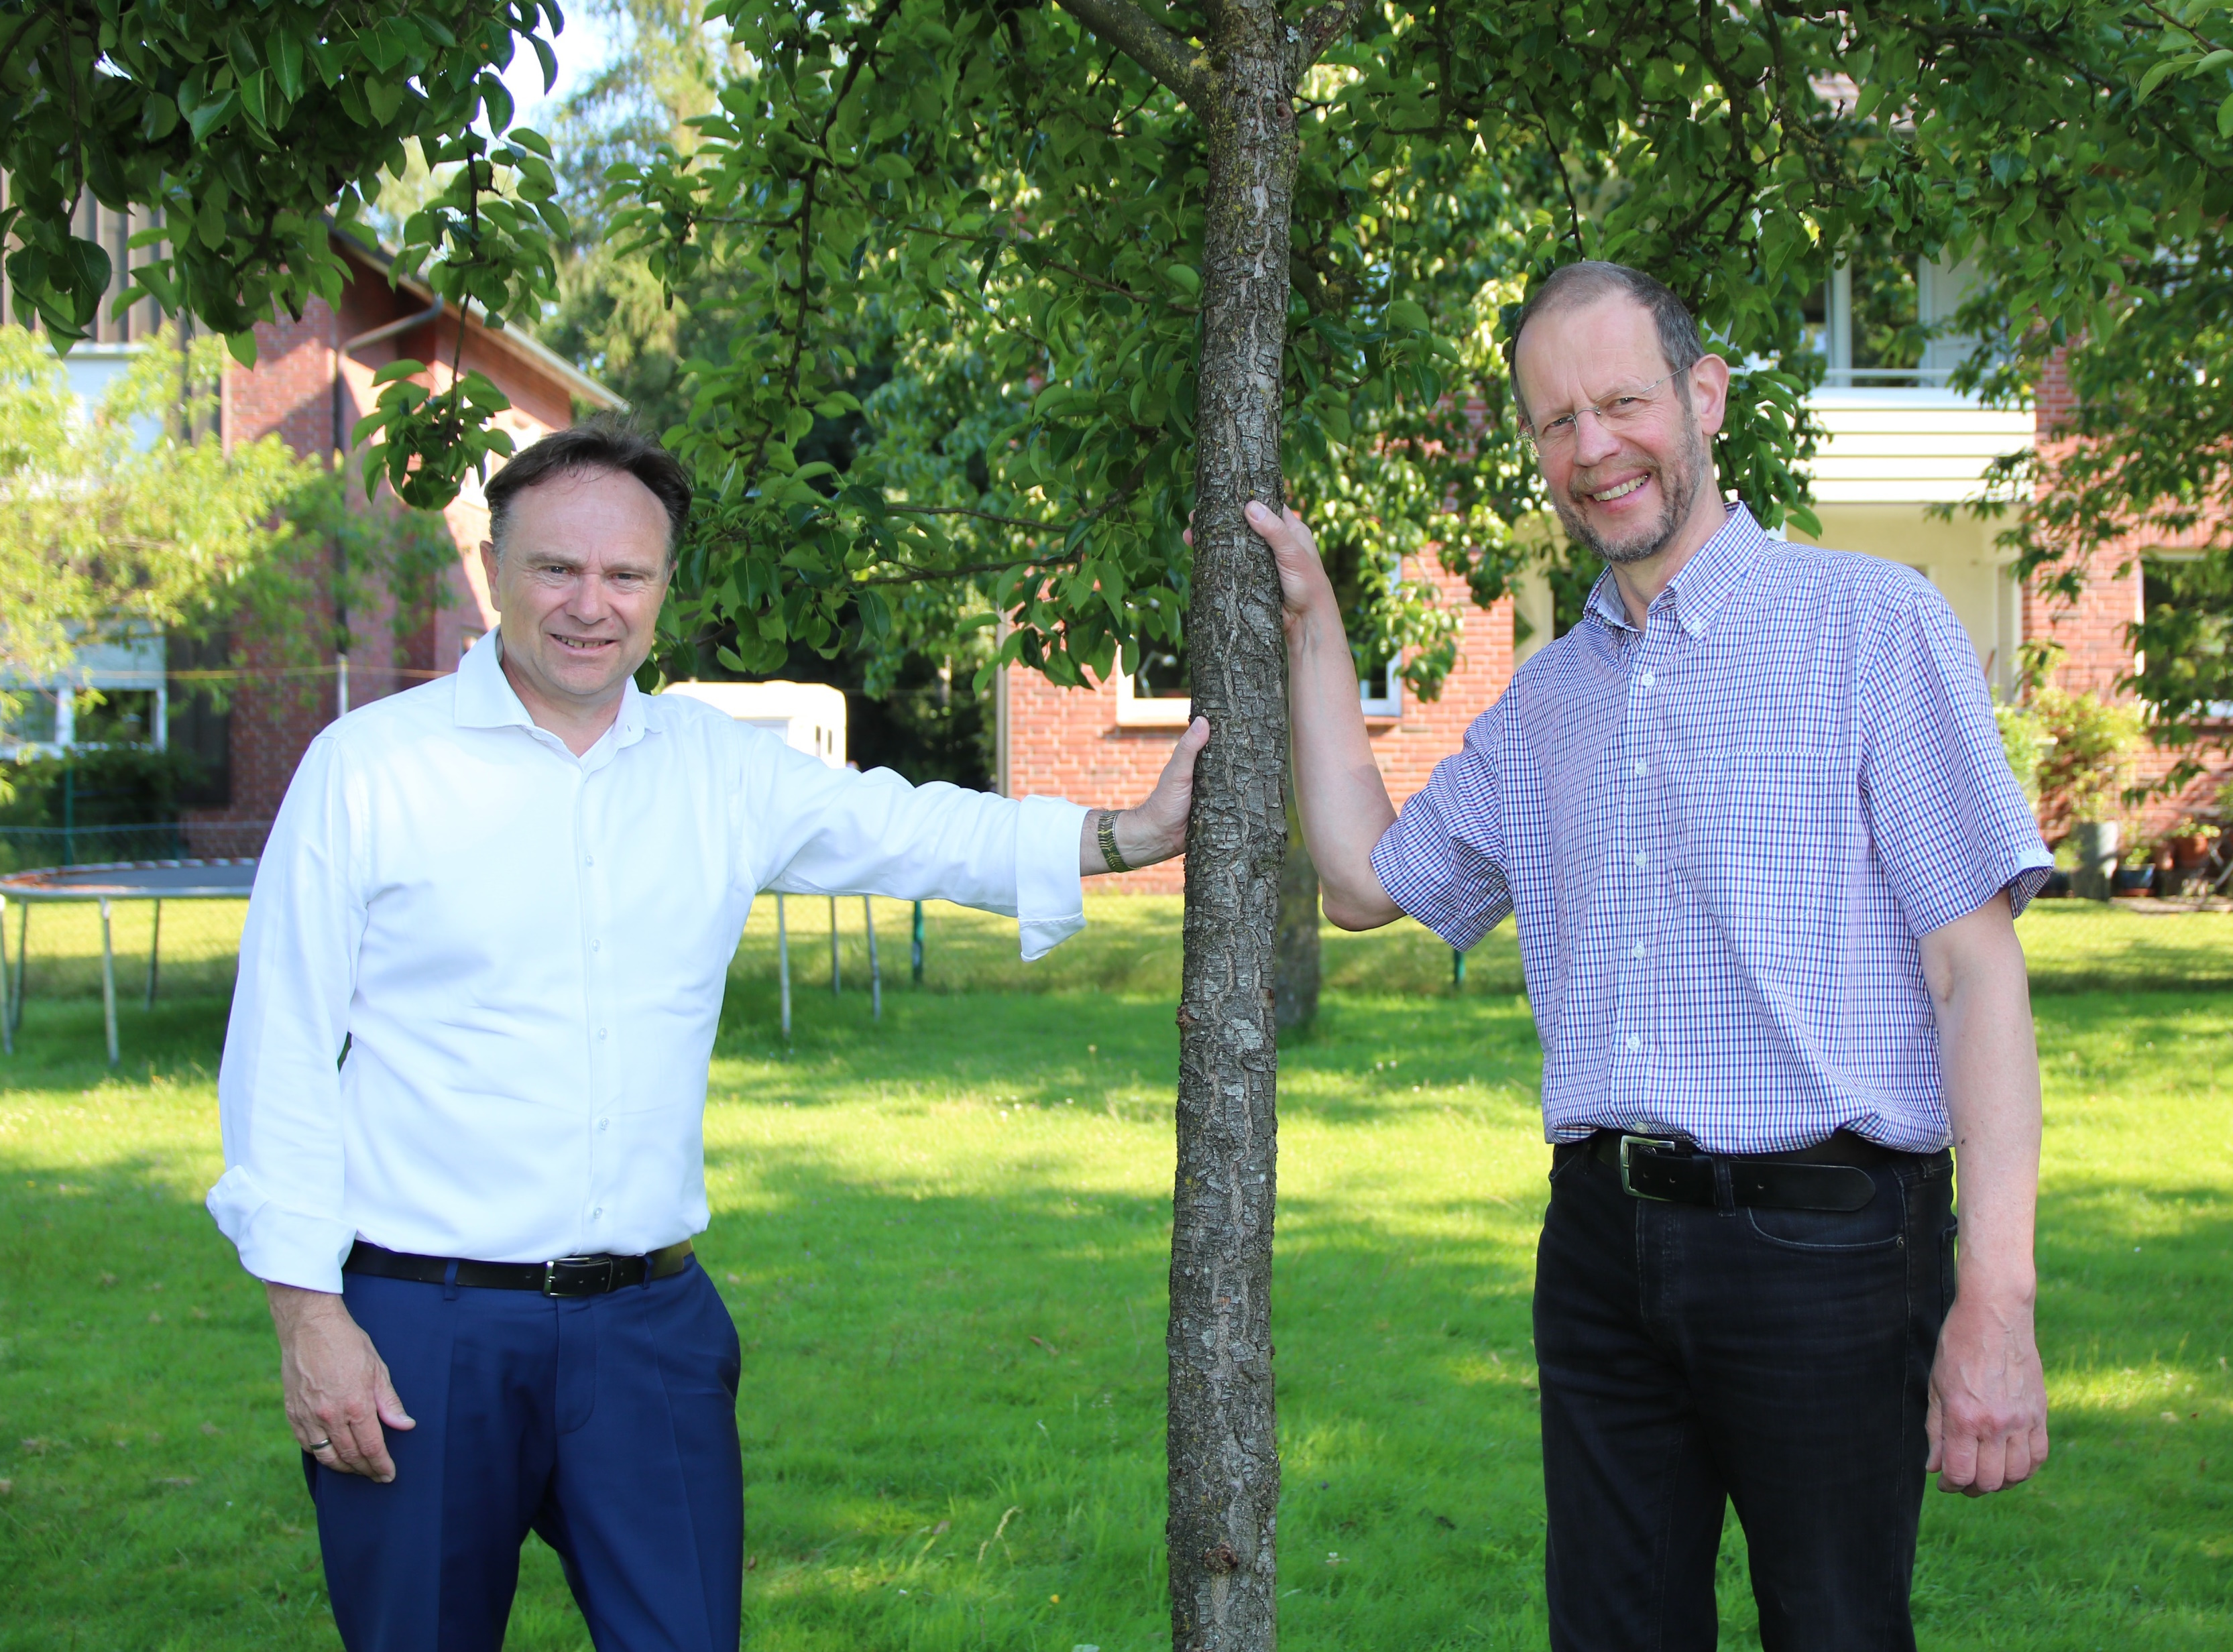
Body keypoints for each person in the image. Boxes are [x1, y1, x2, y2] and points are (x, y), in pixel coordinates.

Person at [206, 418, 1208, 1652]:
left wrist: (1127, 833)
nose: (590, 605)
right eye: (555, 568)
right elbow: (280, 1056)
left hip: (649, 1339)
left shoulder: (719, 772)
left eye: (625, 574)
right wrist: (309, 1320)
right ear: (495, 570)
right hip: (421, 1332)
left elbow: (913, 829)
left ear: (663, 587)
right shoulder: (369, 769)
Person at [1256, 261, 2052, 1650]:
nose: (1593, 447)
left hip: (1829, 1244)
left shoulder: (1871, 627)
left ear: (1704, 395)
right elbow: (1362, 880)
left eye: (1621, 401)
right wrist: (1316, 625)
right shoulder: (1548, 701)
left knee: (1837, 1632)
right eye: (1556, 421)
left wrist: (1997, 1297)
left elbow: (1974, 973)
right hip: (1600, 1248)